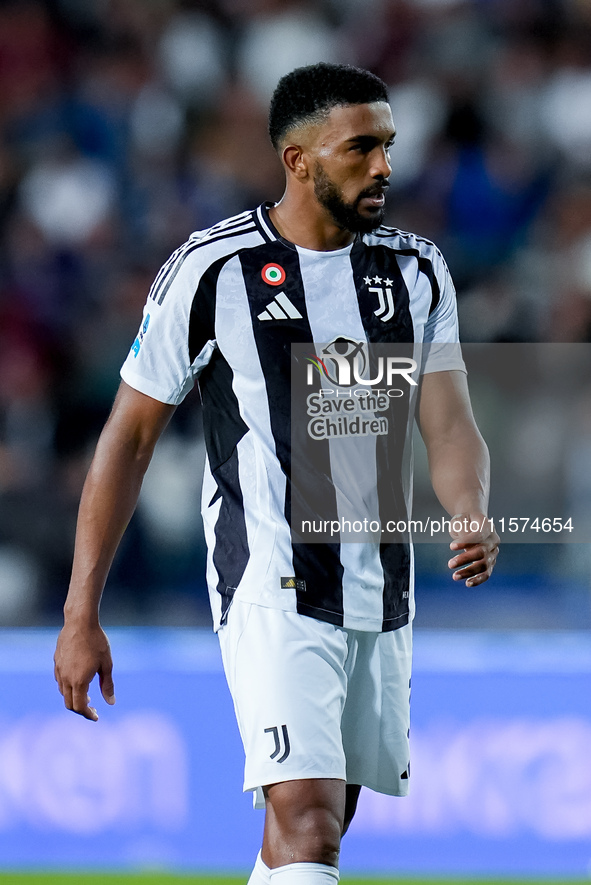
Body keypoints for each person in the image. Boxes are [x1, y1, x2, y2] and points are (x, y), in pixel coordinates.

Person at [54, 63, 499, 884]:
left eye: (388, 146)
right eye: (360, 147)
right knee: (309, 822)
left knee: (315, 829)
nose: (384, 167)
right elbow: (128, 438)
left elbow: (448, 418)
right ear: (298, 161)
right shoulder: (211, 270)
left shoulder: (416, 270)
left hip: (379, 583)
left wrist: (468, 507)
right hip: (271, 579)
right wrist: (82, 610)